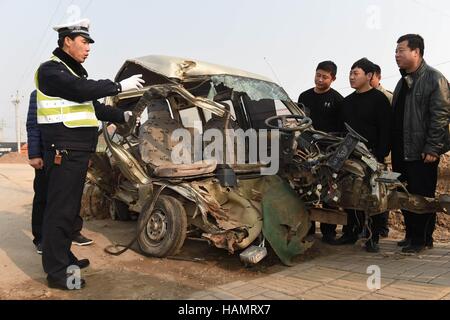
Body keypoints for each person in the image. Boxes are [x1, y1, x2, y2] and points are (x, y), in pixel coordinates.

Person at [36, 18, 145, 290]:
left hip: (76, 151)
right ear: (67, 41)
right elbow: (79, 91)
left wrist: (123, 114)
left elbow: (93, 107)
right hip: (63, 150)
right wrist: (119, 86)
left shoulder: (73, 75)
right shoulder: (51, 71)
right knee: (59, 212)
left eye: (89, 43)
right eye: (84, 42)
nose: (88, 48)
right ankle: (58, 273)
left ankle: (66, 257)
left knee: (69, 211)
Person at [392, 34, 450, 253]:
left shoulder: (434, 79)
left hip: (422, 151)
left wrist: (433, 148)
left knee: (422, 196)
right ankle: (411, 236)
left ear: (416, 52)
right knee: (405, 196)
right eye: (396, 51)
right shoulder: (402, 81)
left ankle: (422, 239)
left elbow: (441, 116)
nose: (396, 55)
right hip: (401, 150)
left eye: (401, 50)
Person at [333, 58, 392, 253]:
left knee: (372, 197)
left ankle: (373, 236)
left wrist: (381, 153)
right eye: (350, 73)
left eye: (355, 73)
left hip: (372, 156)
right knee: (349, 194)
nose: (351, 77)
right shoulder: (347, 102)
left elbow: (386, 129)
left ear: (369, 76)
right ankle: (350, 232)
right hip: (349, 157)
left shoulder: (379, 100)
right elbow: (340, 130)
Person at [26, 90, 94, 256]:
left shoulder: (77, 91)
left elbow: (87, 124)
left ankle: (72, 232)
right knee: (44, 196)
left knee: (72, 195)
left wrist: (88, 152)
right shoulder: (39, 94)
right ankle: (41, 237)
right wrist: (34, 154)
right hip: (47, 154)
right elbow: (33, 125)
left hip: (73, 154)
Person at [298, 61, 343, 244]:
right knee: (304, 188)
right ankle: (307, 229)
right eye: (318, 75)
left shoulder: (338, 100)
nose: (320, 79)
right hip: (305, 150)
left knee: (328, 190)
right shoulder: (304, 96)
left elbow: (340, 129)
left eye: (325, 77)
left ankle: (329, 232)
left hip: (327, 151)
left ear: (333, 79)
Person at [370, 63, 393, 238]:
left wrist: (384, 151)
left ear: (378, 76)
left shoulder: (387, 97)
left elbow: (390, 128)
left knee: (383, 190)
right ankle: (368, 228)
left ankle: (382, 228)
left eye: (371, 76)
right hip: (366, 154)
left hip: (384, 154)